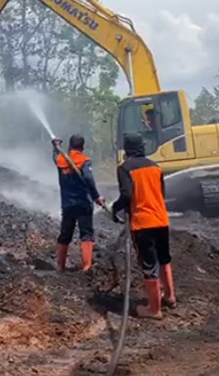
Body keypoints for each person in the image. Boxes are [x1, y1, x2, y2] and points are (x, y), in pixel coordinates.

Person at [111, 132, 176, 319]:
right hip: (161, 219)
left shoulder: (124, 168)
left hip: (142, 223)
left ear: (127, 149)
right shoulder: (155, 167)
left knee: (149, 265)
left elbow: (127, 195)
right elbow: (161, 194)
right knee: (164, 258)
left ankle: (154, 309)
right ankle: (170, 297)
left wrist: (116, 208)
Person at [52, 134, 104, 272]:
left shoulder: (60, 160)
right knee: (86, 234)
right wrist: (96, 196)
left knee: (65, 235)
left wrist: (55, 148)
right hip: (83, 204)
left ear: (69, 146)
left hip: (67, 204)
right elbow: (88, 177)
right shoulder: (84, 160)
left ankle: (60, 266)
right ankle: (86, 267)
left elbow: (54, 158)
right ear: (82, 147)